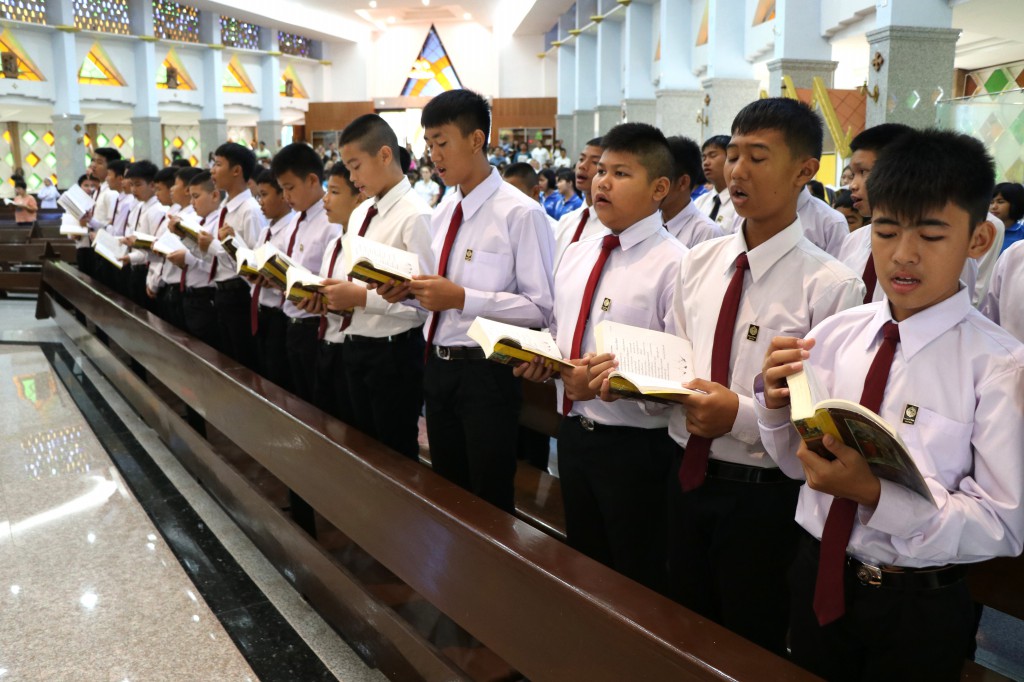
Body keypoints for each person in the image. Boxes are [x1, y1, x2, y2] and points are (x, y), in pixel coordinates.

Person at [758, 128, 1021, 682]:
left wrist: (878, 495)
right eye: (886, 230)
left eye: (931, 234)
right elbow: (796, 466)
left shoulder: (999, 366)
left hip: (915, 603)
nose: (903, 254)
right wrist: (776, 408)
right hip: (816, 570)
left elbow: (1003, 523)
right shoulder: (835, 335)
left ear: (977, 239)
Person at [663, 98, 865, 655]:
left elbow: (825, 415)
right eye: (733, 155)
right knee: (679, 627)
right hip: (681, 473)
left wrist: (741, 416)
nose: (737, 171)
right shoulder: (697, 263)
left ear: (805, 171)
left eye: (758, 157)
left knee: (748, 642)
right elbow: (678, 356)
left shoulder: (830, 285)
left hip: (762, 496)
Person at [519, 122, 687, 592]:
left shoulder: (677, 264)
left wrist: (609, 385)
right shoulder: (578, 252)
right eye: (600, 171)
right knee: (584, 567)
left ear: (659, 188)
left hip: (638, 449)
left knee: (636, 578)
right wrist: (543, 361)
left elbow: (680, 374)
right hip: (574, 434)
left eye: (620, 173)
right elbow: (560, 331)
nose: (602, 182)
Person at [375, 88, 555, 513]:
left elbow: (540, 307)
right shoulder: (442, 211)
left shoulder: (520, 213)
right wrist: (409, 294)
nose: (434, 156)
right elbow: (436, 297)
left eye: (442, 142)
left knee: (488, 496)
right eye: (428, 144)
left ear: (476, 140)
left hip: (487, 373)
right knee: (447, 491)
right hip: (438, 367)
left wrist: (462, 298)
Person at [305, 114, 432, 461]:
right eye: (348, 167)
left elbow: (424, 301)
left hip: (394, 353)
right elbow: (359, 276)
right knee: (361, 449)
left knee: (393, 454)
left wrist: (361, 297)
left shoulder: (416, 215)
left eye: (356, 166)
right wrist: (334, 293)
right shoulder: (362, 213)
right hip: (355, 344)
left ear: (385, 155)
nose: (352, 177)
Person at [838, 124, 979, 305]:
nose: (853, 185)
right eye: (852, 174)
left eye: (864, 172)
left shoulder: (952, 251)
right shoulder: (852, 241)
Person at [270, 143, 342, 403]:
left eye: (290, 188)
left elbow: (333, 278)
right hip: (292, 321)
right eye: (282, 189)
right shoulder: (295, 220)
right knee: (298, 399)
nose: (286, 196)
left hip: (316, 327)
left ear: (312, 180)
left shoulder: (330, 223)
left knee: (318, 403)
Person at [194, 142, 266, 370]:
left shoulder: (250, 210)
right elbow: (216, 259)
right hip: (222, 292)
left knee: (244, 362)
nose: (212, 170)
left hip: (240, 293)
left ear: (236, 170)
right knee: (229, 360)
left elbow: (254, 264)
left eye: (218, 164)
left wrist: (214, 246)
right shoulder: (225, 206)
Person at [248, 169, 296, 390]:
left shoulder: (290, 231)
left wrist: (274, 281)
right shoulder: (266, 231)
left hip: (279, 312)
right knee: (263, 371)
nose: (260, 202)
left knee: (279, 376)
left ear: (283, 196)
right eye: (258, 195)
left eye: (265, 195)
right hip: (260, 309)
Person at [553, 138, 606, 270]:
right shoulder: (566, 221)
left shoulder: (612, 229)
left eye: (595, 162)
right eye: (581, 159)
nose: (582, 166)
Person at [661, 135, 723, 249]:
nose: (651, 186)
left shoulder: (706, 232)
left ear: (683, 182)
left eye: (661, 180)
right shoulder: (649, 223)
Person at [122, 161, 168, 307]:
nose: (133, 189)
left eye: (138, 184)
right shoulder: (139, 207)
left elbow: (155, 248)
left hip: (146, 270)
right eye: (131, 185)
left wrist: (153, 281)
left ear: (152, 185)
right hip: (135, 268)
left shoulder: (158, 210)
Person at [692, 135, 735, 228]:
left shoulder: (741, 203)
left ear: (731, 157)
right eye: (704, 158)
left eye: (713, 155)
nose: (706, 162)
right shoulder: (699, 202)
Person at [989, 181, 1024, 254]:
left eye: (1000, 202)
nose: (994, 207)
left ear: (1015, 204)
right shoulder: (982, 230)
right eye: (991, 202)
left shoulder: (1021, 233)